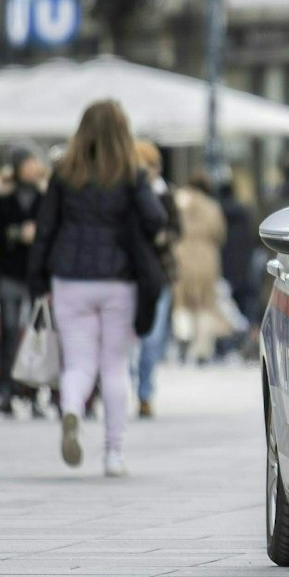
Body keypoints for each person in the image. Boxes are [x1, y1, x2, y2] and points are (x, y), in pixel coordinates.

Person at [29, 101, 167, 479]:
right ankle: (113, 455)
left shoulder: (63, 173)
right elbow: (156, 219)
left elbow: (45, 229)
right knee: (114, 365)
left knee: (78, 363)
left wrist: (37, 281)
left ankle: (72, 407)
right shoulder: (132, 173)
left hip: (69, 278)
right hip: (118, 279)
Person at [0, 146, 50, 417]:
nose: (32, 168)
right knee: (10, 332)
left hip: (36, 275)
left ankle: (34, 391)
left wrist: (38, 234)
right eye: (27, 163)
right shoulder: (3, 196)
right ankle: (7, 389)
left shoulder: (46, 195)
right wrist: (15, 234)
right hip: (9, 273)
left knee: (36, 336)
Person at [130, 140, 177, 419]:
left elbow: (175, 229)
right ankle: (130, 382)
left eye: (153, 164)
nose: (151, 170)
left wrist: (162, 238)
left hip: (159, 274)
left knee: (152, 338)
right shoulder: (127, 193)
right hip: (130, 275)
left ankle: (145, 393)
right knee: (127, 340)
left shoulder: (165, 194)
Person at [173, 173, 230, 365]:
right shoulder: (212, 207)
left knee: (181, 301)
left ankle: (183, 335)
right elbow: (220, 233)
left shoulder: (179, 202)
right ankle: (202, 349)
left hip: (181, 253)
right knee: (205, 303)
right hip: (206, 256)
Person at [217, 177, 262, 362]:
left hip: (223, 266)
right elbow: (252, 237)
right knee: (243, 306)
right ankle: (242, 343)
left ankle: (226, 344)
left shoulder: (217, 212)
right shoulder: (244, 212)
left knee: (224, 306)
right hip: (242, 267)